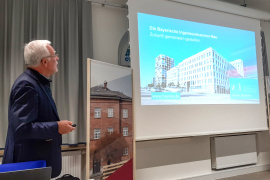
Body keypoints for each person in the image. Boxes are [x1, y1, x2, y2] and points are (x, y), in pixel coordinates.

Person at [2, 40, 75, 178]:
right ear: (45, 62)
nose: (57, 58)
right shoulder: (26, 85)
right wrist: (57, 127)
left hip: (35, 164)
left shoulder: (38, 83)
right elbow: (21, 129)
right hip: (27, 167)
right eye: (54, 55)